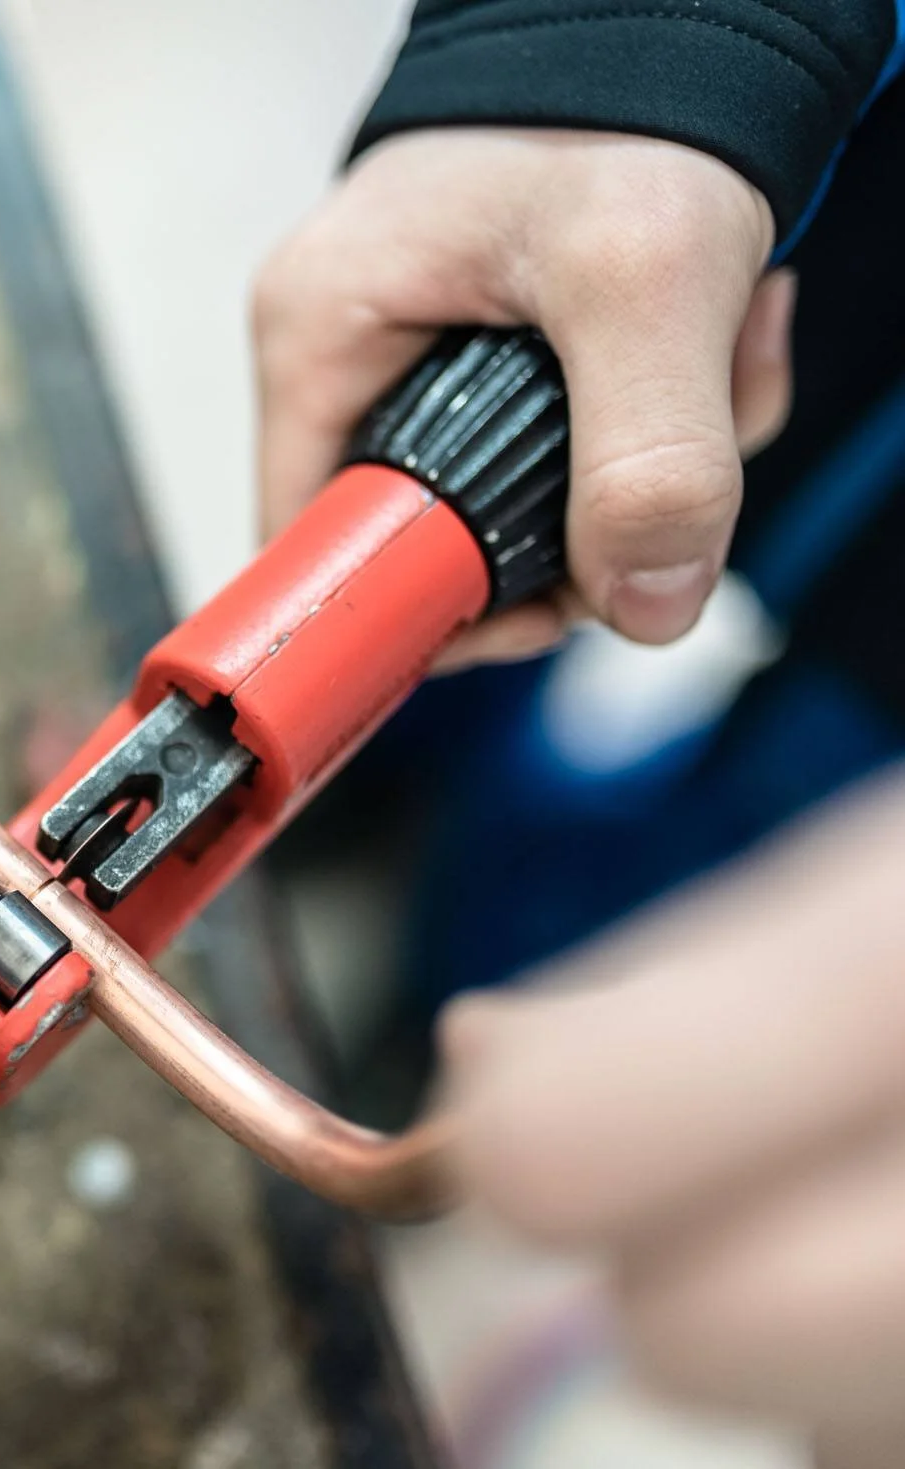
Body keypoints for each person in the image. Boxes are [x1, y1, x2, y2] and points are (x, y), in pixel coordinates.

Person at [253, 4, 905, 1463]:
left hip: (876, 720)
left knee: (733, 888)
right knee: (430, 571)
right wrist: (617, 50)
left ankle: (446, 993)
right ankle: (336, 798)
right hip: (786, 188)